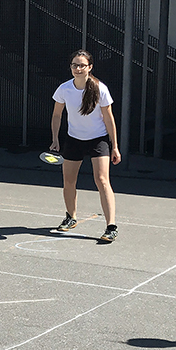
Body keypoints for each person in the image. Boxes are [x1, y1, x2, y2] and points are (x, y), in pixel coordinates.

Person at [49, 49, 122, 242]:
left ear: (90, 67)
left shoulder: (100, 89)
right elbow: (57, 115)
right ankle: (70, 217)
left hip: (98, 140)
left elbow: (109, 118)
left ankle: (111, 226)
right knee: (69, 181)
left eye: (82, 65)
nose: (78, 68)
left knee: (102, 180)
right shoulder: (64, 89)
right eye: (75, 65)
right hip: (74, 139)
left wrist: (114, 146)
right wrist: (55, 139)